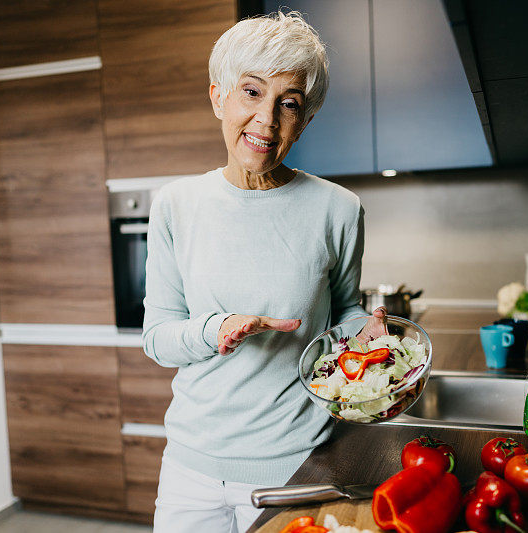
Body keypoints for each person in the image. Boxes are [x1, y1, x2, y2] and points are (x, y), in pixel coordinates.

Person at [142, 12, 385, 533]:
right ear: (218, 98)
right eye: (251, 93)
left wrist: (362, 333)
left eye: (289, 104)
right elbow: (159, 338)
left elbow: (342, 310)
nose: (267, 121)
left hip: (297, 465)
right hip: (191, 468)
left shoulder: (338, 210)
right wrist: (218, 329)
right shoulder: (174, 205)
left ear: (306, 118)